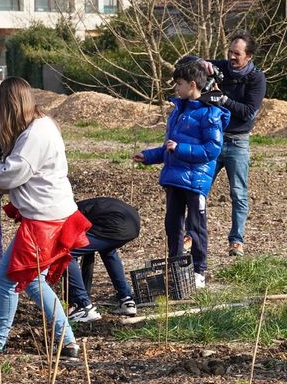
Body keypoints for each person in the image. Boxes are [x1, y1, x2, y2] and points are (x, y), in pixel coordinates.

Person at [0, 78, 87, 359]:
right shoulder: (38, 127)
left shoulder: (37, 134)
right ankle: (67, 342)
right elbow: (14, 177)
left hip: (46, 220)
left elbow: (7, 174)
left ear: (9, 106)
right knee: (30, 280)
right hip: (49, 214)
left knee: (12, 278)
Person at [133, 57, 230, 289]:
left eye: (179, 84)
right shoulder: (178, 112)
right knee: (172, 226)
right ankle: (177, 269)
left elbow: (211, 150)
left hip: (196, 181)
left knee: (196, 226)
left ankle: (199, 271)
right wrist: (148, 156)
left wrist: (181, 149)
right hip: (174, 179)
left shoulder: (210, 114)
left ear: (192, 85)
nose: (176, 88)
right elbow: (170, 147)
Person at [199, 31, 267, 256]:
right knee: (199, 188)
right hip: (213, 139)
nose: (231, 57)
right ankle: (192, 235)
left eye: (237, 54)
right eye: (230, 52)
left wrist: (223, 99)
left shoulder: (256, 78)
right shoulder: (222, 68)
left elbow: (248, 113)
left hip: (238, 143)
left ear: (249, 56)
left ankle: (236, 240)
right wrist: (202, 63)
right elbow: (186, 63)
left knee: (238, 193)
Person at [65, 197, 141, 322]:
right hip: (132, 222)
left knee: (66, 254)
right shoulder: (83, 207)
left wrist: (76, 299)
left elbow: (84, 253)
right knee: (107, 250)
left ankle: (83, 306)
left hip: (116, 224)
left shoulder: (71, 214)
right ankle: (127, 300)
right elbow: (88, 255)